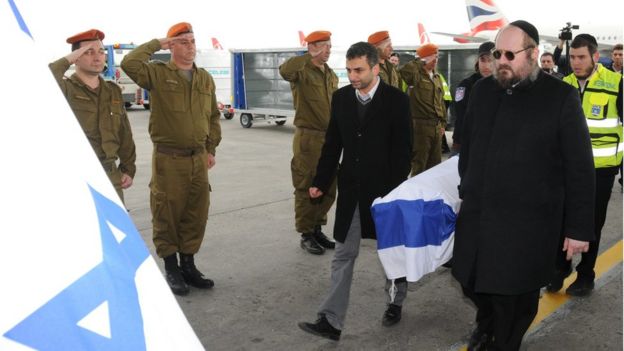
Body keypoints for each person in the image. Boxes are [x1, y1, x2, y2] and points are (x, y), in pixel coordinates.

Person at [452, 21, 595, 350]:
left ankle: (502, 342)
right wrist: (466, 188)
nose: (500, 60)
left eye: (509, 54)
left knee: (514, 300)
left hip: (528, 226)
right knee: (469, 282)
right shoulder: (483, 92)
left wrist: (577, 229)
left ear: (533, 54)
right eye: (496, 53)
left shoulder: (560, 97)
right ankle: (486, 323)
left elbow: (579, 168)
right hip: (479, 215)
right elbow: (469, 148)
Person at [297, 42, 412, 340]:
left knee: (391, 254)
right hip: (351, 192)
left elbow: (403, 153)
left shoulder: (397, 101)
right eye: (348, 70)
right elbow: (333, 144)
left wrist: (393, 192)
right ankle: (331, 321)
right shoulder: (341, 98)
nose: (353, 76)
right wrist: (320, 181)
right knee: (343, 255)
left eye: (359, 70)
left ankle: (395, 302)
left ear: (376, 68)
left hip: (384, 194)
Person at [121, 22, 222, 296]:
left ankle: (189, 265)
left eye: (192, 40)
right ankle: (171, 267)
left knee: (195, 212)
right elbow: (130, 63)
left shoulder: (205, 79)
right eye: (184, 41)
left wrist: (210, 149)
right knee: (167, 212)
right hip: (169, 159)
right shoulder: (157, 73)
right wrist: (158, 43)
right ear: (172, 46)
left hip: (198, 159)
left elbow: (213, 116)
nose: (191, 46)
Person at [546, 34, 623, 297]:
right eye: (573, 57)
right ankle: (560, 267)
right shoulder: (563, 85)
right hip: (566, 168)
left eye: (581, 57)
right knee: (561, 219)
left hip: (601, 169)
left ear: (594, 56)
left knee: (591, 224)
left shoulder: (616, 84)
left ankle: (586, 275)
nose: (576, 63)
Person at [49, 29, 136, 203]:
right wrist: (68, 59)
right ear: (76, 57)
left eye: (101, 52)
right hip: (78, 177)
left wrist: (128, 168)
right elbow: (44, 76)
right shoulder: (65, 89)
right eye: (88, 52)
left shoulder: (112, 91)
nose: (97, 57)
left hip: (111, 176)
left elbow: (124, 132)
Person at [279, 31, 339, 255]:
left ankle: (317, 228)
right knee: (307, 186)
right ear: (313, 47)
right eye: (325, 46)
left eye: (330, 47)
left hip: (330, 137)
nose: (329, 50)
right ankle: (306, 234)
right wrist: (308, 55)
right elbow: (285, 70)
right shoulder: (301, 70)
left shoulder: (330, 74)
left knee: (328, 185)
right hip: (308, 138)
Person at [400, 43, 447, 176]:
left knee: (435, 166)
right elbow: (404, 72)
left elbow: (440, 102)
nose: (436, 60)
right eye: (433, 57)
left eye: (437, 57)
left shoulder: (437, 77)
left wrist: (443, 123)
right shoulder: (416, 75)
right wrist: (421, 60)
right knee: (419, 165)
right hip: (421, 127)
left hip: (437, 127)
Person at [451, 41, 495, 154]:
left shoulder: (504, 85)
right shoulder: (466, 85)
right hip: (464, 144)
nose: (486, 65)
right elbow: (462, 116)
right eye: (483, 60)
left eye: (491, 60)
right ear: (477, 61)